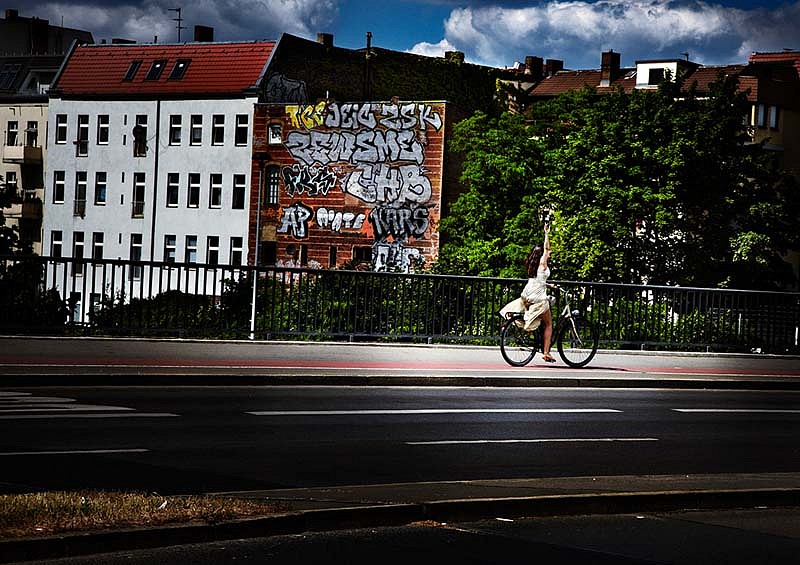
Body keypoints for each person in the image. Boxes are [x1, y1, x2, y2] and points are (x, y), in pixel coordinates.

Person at [500, 224, 556, 363]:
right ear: (542, 254)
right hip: (538, 299)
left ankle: (530, 330)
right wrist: (546, 233)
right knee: (549, 324)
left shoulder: (533, 265)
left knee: (534, 316)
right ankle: (547, 352)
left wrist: (549, 285)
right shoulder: (543, 264)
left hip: (526, 296)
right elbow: (547, 247)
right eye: (547, 252)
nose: (549, 253)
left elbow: (538, 280)